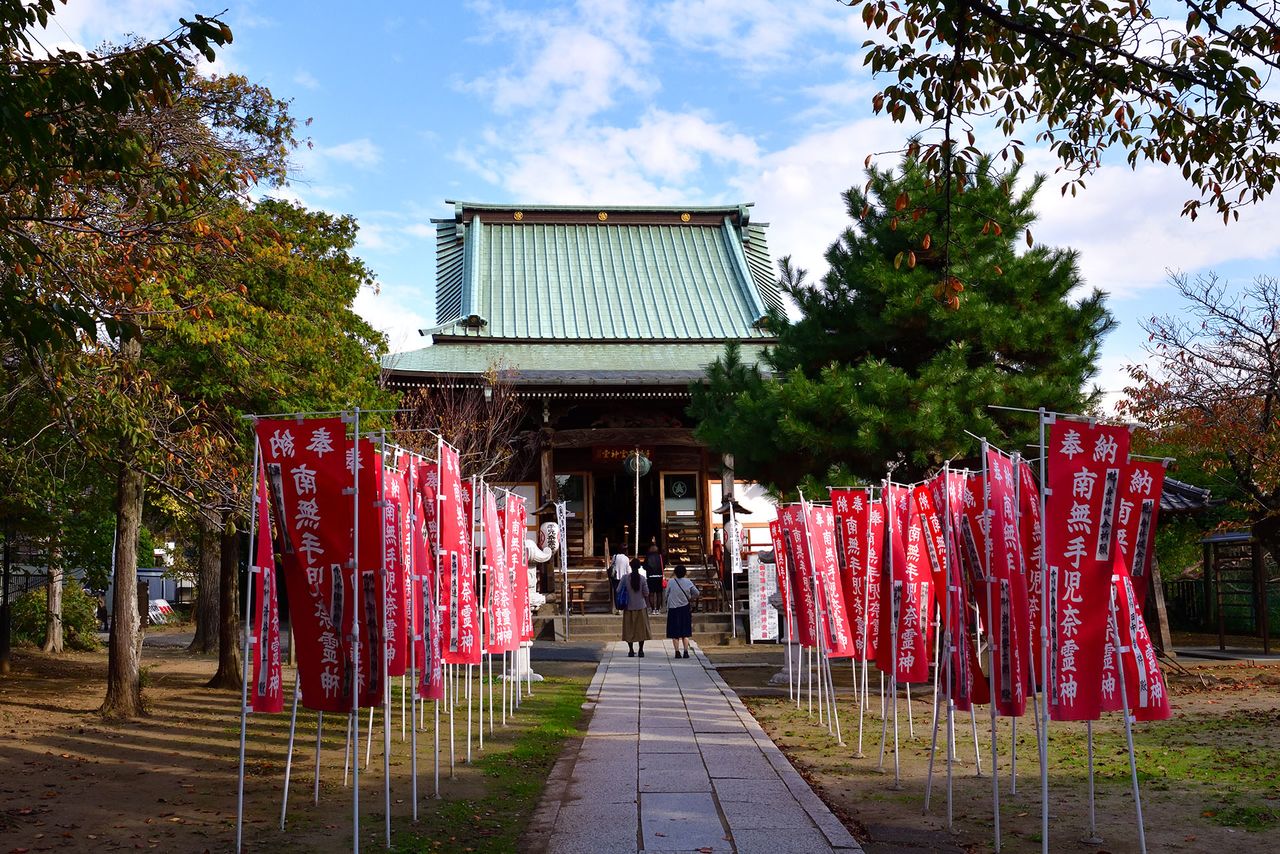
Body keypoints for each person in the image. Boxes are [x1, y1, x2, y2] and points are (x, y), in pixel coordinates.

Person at [664, 565, 698, 659]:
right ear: (685, 573)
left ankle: (677, 652)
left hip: (673, 608)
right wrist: (690, 598)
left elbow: (666, 594)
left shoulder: (671, 582)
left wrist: (666, 601)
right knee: (685, 631)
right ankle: (686, 651)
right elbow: (697, 593)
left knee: (674, 631)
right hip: (685, 607)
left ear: (675, 572)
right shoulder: (688, 582)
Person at [619, 565, 651, 657]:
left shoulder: (625, 578)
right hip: (641, 606)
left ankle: (631, 650)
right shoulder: (642, 578)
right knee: (641, 629)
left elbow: (618, 590)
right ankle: (641, 650)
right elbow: (646, 593)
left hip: (628, 607)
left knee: (629, 629)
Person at [643, 542, 664, 615]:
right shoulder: (660, 556)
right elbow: (663, 566)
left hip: (650, 577)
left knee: (651, 594)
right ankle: (658, 609)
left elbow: (644, 566)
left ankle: (653, 609)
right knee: (659, 594)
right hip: (659, 576)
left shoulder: (648, 557)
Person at [609, 544, 630, 614]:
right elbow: (628, 570)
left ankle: (618, 608)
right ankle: (623, 607)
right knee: (623, 593)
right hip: (623, 578)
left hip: (615, 577)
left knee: (616, 593)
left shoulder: (615, 557)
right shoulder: (626, 559)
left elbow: (611, 565)